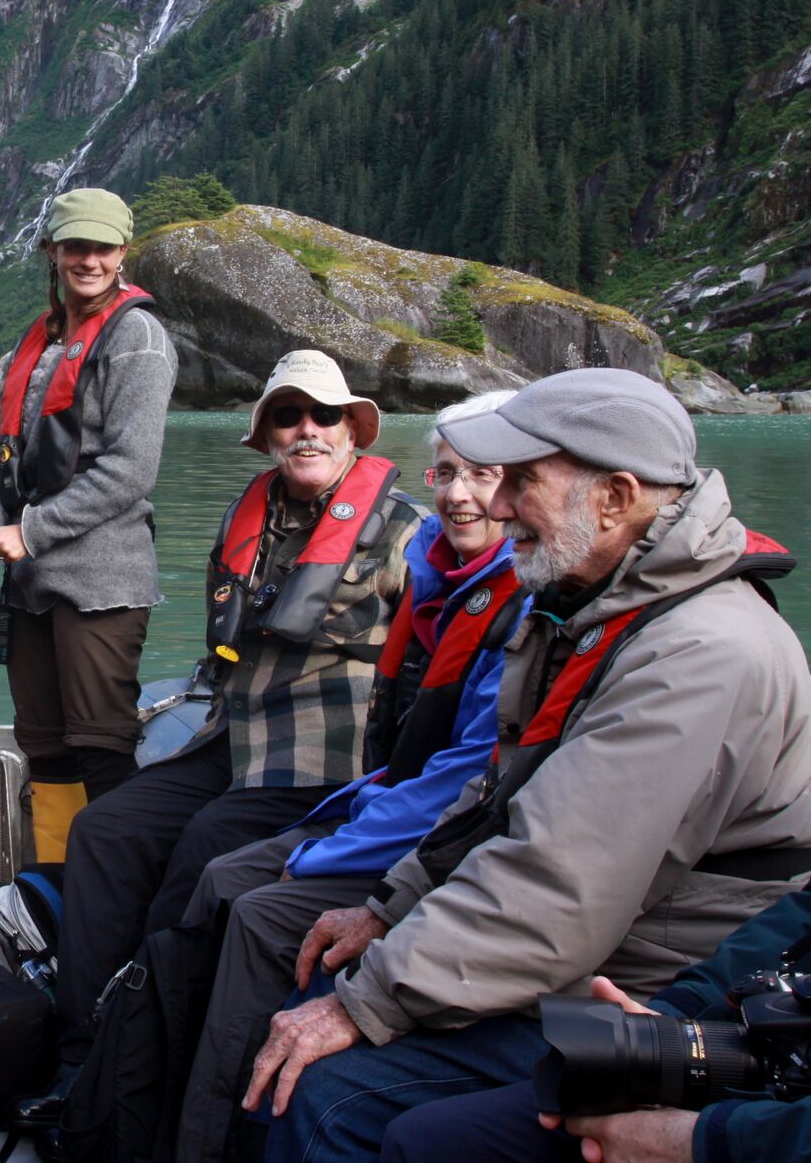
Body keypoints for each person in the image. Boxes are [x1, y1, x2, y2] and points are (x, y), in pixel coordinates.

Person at [241, 367, 811, 1163]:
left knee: (329, 1094)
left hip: (655, 991)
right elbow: (498, 799)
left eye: (522, 481)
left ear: (615, 497)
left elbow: (558, 889)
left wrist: (368, 1002)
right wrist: (389, 907)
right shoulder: (588, 608)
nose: (493, 505)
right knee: (311, 990)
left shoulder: (697, 654)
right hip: (585, 955)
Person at [15, 347, 425, 1131]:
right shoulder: (253, 514)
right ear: (269, 433)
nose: (307, 429)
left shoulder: (406, 529)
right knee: (105, 830)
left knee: (205, 845)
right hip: (231, 737)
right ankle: (81, 1055)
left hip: (325, 756)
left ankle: (143, 1069)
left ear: (352, 431)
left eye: (324, 415)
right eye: (288, 415)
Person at [150, 391, 529, 1162]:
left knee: (249, 904)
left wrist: (335, 844)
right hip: (383, 803)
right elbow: (420, 758)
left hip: (439, 844)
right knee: (213, 868)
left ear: (521, 489)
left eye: (484, 476)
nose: (459, 495)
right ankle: (142, 1096)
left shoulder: (510, 599)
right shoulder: (438, 577)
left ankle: (204, 1139)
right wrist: (347, 815)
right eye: (447, 473)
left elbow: (470, 772)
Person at [376, 758, 811, 1163]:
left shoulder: (704, 649)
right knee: (440, 1137)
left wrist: (703, 1141)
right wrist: (682, 1018)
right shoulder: (569, 628)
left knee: (372, 1109)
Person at [0, 186, 177, 835]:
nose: (89, 259)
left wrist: (26, 531)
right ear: (51, 250)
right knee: (46, 749)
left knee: (100, 747)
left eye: (103, 247)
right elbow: (4, 455)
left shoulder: (138, 337)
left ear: (123, 252)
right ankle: (56, 891)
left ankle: (106, 904)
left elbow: (130, 471)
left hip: (101, 588)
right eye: (75, 245)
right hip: (30, 588)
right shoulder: (43, 340)